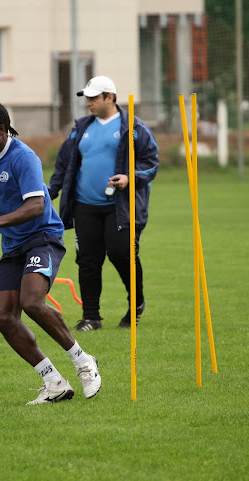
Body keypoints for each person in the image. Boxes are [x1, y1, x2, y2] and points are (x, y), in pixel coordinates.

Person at [0, 100, 101, 404]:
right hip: (13, 245)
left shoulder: (24, 158)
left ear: (0, 129)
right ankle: (54, 382)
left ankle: (83, 361)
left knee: (33, 301)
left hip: (43, 237)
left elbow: (37, 205)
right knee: (1, 316)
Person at [48, 76, 159, 331]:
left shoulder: (133, 127)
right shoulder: (80, 128)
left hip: (120, 207)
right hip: (84, 205)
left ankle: (137, 303)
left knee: (122, 254)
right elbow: (64, 164)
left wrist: (130, 178)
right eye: (87, 98)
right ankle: (91, 318)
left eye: (94, 98)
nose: (88, 103)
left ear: (110, 97)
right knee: (87, 260)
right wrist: (50, 192)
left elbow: (151, 163)